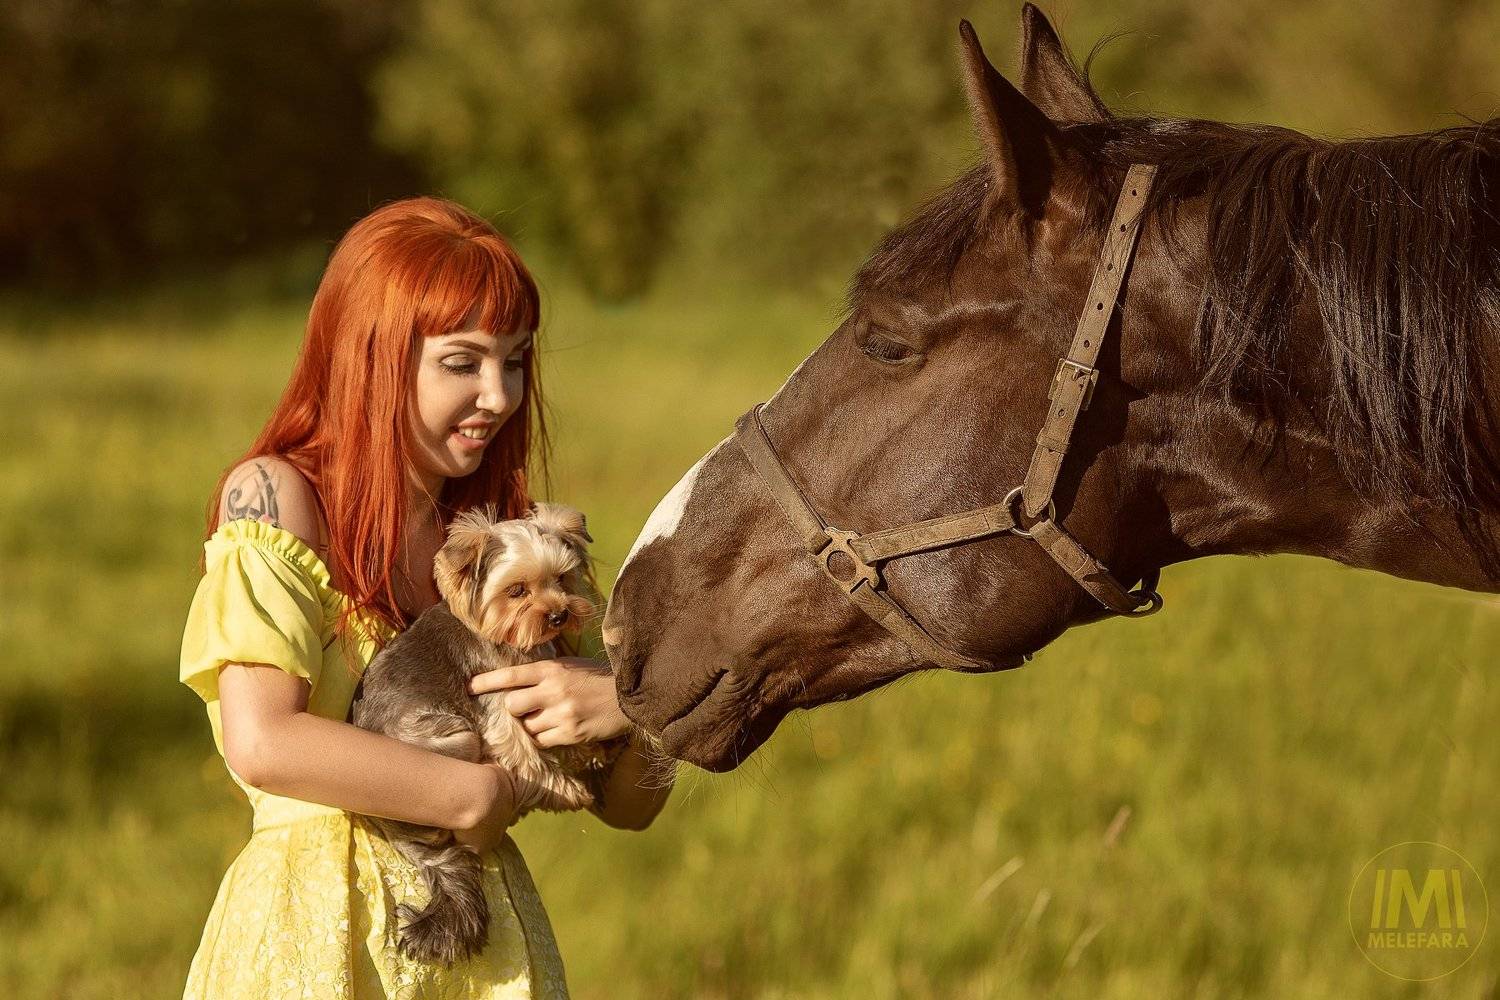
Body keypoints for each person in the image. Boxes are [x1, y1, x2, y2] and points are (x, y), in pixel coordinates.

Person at [177, 197, 670, 999]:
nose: (501, 395)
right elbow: (263, 741)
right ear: (370, 355)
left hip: (484, 949)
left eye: (515, 360)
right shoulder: (276, 497)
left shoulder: (507, 550)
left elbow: (629, 809)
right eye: (463, 362)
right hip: (319, 939)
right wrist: (471, 791)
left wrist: (637, 705)